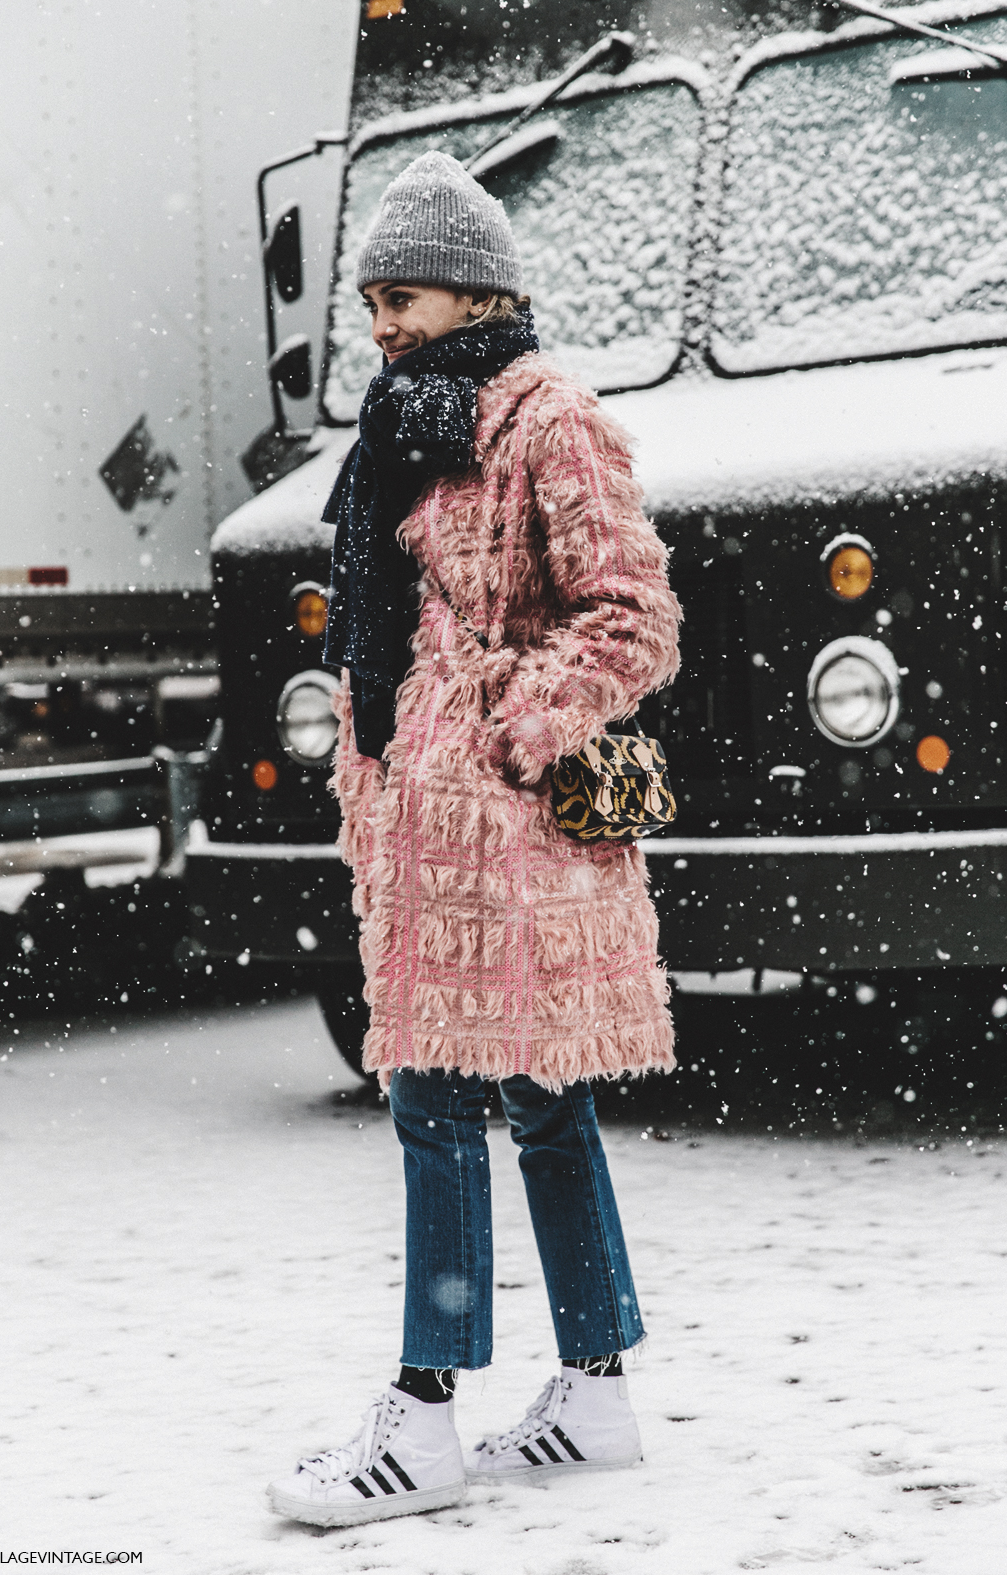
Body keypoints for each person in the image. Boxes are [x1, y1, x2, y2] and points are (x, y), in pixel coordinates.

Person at [267, 151, 681, 1529]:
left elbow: (627, 613)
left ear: (479, 289)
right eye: (371, 297)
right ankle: (597, 1391)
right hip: (425, 822)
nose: (381, 321)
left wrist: (504, 722)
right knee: (539, 1101)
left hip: (495, 819)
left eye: (406, 293)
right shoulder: (405, 420)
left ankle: (424, 1414)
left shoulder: (540, 416)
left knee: (440, 1100)